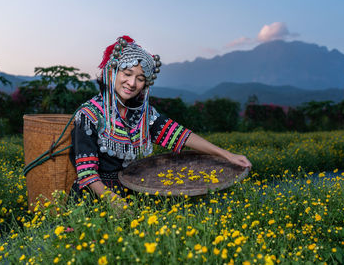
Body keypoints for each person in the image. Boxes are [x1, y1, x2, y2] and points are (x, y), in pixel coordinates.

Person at [69, 35, 251, 206]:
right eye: (127, 74)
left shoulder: (142, 114)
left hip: (131, 191)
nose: (132, 83)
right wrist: (115, 202)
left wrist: (227, 155)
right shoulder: (88, 115)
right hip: (94, 199)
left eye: (140, 79)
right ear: (111, 73)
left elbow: (180, 135)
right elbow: (87, 173)